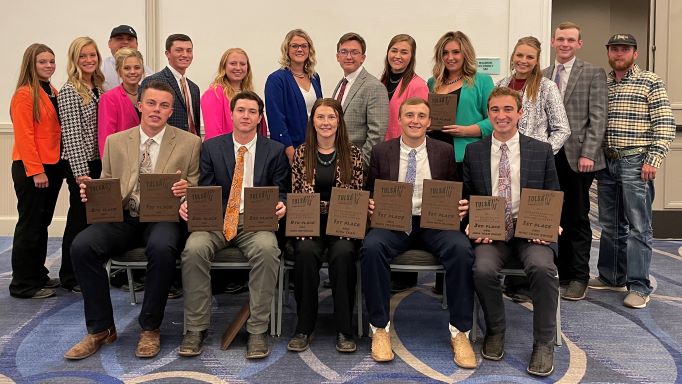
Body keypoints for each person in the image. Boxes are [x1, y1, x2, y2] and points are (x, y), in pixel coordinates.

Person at [63, 80, 201, 360]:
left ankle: (150, 327)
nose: (156, 110)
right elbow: (107, 184)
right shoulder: (116, 142)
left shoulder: (190, 143)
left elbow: (198, 186)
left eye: (163, 106)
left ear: (170, 111)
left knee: (163, 249)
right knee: (81, 246)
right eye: (151, 103)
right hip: (124, 216)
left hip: (164, 216)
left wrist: (187, 190)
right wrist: (93, 193)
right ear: (140, 105)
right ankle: (101, 328)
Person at [361, 97, 476, 369]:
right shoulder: (381, 151)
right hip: (394, 222)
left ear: (429, 121)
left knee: (461, 249)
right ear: (399, 120)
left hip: (433, 221)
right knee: (371, 247)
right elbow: (369, 189)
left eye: (421, 116)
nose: (415, 120)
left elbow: (453, 189)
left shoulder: (443, 152)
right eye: (409, 115)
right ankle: (379, 328)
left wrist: (460, 206)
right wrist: (369, 203)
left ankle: (460, 332)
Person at [178, 91, 289, 359]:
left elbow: (282, 190)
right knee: (193, 250)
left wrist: (283, 204)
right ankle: (195, 328)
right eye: (241, 110)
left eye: (252, 111)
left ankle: (257, 330)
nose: (246, 116)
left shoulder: (273, 150)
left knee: (267, 250)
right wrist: (189, 203)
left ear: (260, 117)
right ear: (231, 114)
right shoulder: (211, 147)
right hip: (216, 219)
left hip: (255, 220)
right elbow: (204, 187)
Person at [463, 86, 560, 377]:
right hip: (491, 230)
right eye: (495, 110)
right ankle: (495, 330)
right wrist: (468, 224)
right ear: (488, 113)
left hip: (532, 229)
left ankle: (544, 343)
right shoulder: (474, 151)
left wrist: (551, 223)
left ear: (520, 113)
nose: (501, 115)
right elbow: (466, 198)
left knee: (543, 268)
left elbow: (553, 192)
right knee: (481, 269)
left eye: (508, 110)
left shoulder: (540, 150)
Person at [589, 33, 675, 309]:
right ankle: (611, 275)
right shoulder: (603, 83)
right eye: (614, 49)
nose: (619, 53)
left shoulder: (650, 81)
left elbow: (664, 123)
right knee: (611, 225)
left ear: (635, 54)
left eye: (625, 49)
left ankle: (639, 285)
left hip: (636, 161)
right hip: (607, 162)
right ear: (608, 52)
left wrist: (654, 158)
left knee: (639, 227)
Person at [287, 98, 363, 353]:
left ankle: (344, 328)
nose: (326, 122)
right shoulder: (301, 152)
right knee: (305, 253)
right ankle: (304, 327)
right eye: (320, 117)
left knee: (343, 253)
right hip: (309, 220)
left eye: (331, 117)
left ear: (339, 121)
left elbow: (357, 192)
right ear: (313, 122)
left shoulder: (353, 154)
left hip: (343, 222)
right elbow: (297, 193)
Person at [542, 22, 607, 300]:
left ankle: (579, 276)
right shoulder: (543, 75)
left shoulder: (593, 72)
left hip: (579, 157)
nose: (565, 44)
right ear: (553, 42)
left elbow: (599, 116)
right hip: (548, 155)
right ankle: (560, 270)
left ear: (579, 43)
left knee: (577, 216)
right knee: (550, 214)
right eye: (560, 39)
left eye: (570, 40)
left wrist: (588, 153)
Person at [9, 44, 62, 299]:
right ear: (31, 63)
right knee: (30, 226)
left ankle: (37, 274)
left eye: (51, 61)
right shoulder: (24, 94)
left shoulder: (50, 90)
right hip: (32, 169)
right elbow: (25, 137)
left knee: (42, 224)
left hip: (50, 167)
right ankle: (22, 284)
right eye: (43, 62)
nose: (49, 65)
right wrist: (36, 171)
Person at [58, 36, 105, 292]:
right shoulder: (69, 91)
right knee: (78, 220)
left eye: (92, 55)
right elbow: (72, 134)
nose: (88, 60)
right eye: (83, 56)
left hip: (97, 163)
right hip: (81, 165)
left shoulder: (98, 86)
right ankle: (70, 275)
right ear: (75, 60)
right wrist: (80, 174)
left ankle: (87, 271)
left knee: (93, 222)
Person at [427, 31, 495, 171]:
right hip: (434, 154)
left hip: (466, 156)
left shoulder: (482, 81)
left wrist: (467, 131)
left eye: (456, 52)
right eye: (445, 53)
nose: (450, 57)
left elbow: (494, 120)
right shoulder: (432, 83)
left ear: (465, 54)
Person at [497, 36, 570, 155]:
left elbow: (563, 130)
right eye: (519, 55)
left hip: (533, 156)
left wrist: (543, 153)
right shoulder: (500, 85)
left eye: (530, 57)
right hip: (504, 154)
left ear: (536, 61)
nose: (523, 60)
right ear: (512, 57)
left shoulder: (547, 87)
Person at [265, 29, 322, 163]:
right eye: (294, 46)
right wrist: (289, 150)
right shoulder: (276, 80)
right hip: (291, 148)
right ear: (287, 49)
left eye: (304, 46)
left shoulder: (314, 77)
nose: (299, 49)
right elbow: (276, 119)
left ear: (309, 50)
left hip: (316, 145)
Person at [332, 32, 389, 167]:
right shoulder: (341, 84)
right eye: (344, 52)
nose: (349, 56)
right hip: (335, 163)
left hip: (356, 168)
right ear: (337, 56)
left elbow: (377, 134)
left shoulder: (374, 87)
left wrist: (359, 165)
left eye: (354, 52)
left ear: (363, 58)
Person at [140, 34, 200, 136]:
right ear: (168, 54)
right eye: (179, 50)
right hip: (165, 144)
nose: (185, 54)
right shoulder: (153, 81)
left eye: (189, 51)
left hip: (192, 145)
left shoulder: (194, 88)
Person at [201, 48, 267, 140]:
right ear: (224, 67)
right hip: (224, 151)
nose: (238, 68)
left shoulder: (250, 95)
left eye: (243, 64)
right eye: (233, 63)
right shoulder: (213, 94)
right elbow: (214, 135)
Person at [380, 34, 428, 140]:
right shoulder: (381, 82)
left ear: (411, 57)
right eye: (394, 50)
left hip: (402, 147)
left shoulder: (418, 85)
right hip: (380, 147)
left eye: (404, 52)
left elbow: (419, 123)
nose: (397, 56)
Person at [98, 48, 144, 157]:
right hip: (121, 160)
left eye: (137, 67)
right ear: (119, 72)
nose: (132, 72)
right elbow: (106, 138)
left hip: (147, 160)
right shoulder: (109, 98)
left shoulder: (149, 95)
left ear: (142, 70)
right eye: (127, 68)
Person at [101, 25, 153, 91]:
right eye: (119, 39)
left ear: (136, 44)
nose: (125, 42)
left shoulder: (148, 73)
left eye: (129, 39)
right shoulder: (100, 69)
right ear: (109, 43)